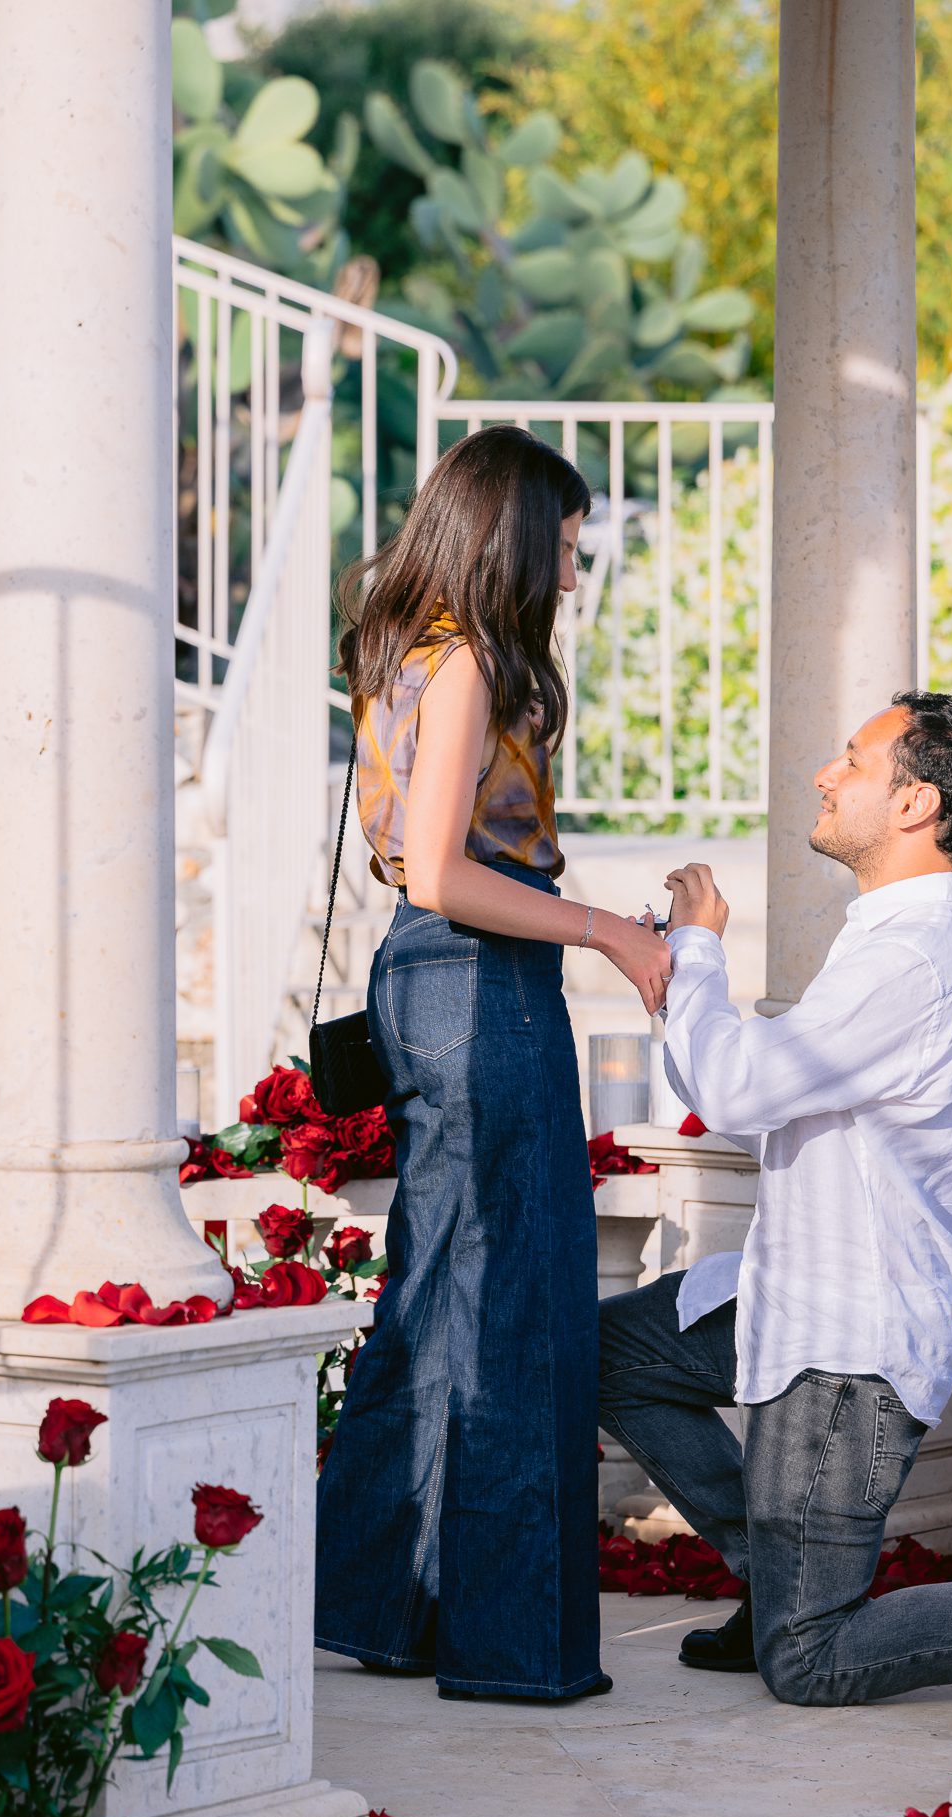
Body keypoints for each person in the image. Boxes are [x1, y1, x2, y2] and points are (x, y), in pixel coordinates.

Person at [316, 426, 672, 1703]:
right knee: (518, 1300)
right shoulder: (464, 659)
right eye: (567, 549)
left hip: (436, 979)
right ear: (516, 537)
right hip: (476, 978)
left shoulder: (408, 653)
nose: (573, 576)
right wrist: (608, 929)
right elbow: (444, 868)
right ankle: (513, 1644)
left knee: (441, 1300)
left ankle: (383, 1605)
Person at [599, 692, 952, 1706]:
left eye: (852, 760)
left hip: (847, 1342)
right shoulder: (887, 936)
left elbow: (740, 1086)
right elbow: (763, 1078)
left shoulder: (908, 956)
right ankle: (772, 1572)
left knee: (811, 1658)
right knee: (608, 1353)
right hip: (796, 1290)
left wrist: (698, 948)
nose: (826, 774)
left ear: (913, 802)